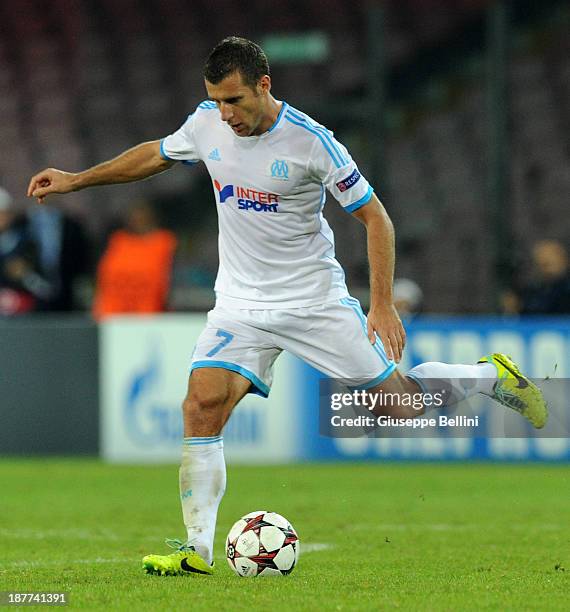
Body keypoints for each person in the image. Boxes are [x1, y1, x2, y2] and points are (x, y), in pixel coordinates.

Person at [27, 37, 548, 577]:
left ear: (264, 85)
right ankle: (196, 549)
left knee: (401, 409)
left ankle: (489, 377)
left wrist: (383, 304)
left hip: (311, 301)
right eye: (217, 101)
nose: (226, 114)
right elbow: (156, 154)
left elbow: (377, 219)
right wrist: (78, 179)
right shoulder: (207, 122)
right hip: (239, 304)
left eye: (235, 100)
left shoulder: (311, 142)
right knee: (200, 404)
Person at [92, 200, 177, 320]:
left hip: (149, 316)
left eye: (143, 216)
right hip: (111, 315)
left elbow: (169, 280)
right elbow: (101, 279)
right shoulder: (117, 241)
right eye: (134, 217)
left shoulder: (164, 242)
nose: (138, 220)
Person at [0, 187, 54, 315]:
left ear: (9, 215)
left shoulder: (26, 241)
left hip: (22, 311)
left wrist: (25, 275)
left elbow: (44, 289)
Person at [502, 240, 570, 315]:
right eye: (541, 265)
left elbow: (550, 309)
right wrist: (514, 308)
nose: (546, 270)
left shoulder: (565, 290)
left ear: (564, 261)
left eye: (549, 264)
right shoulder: (534, 291)